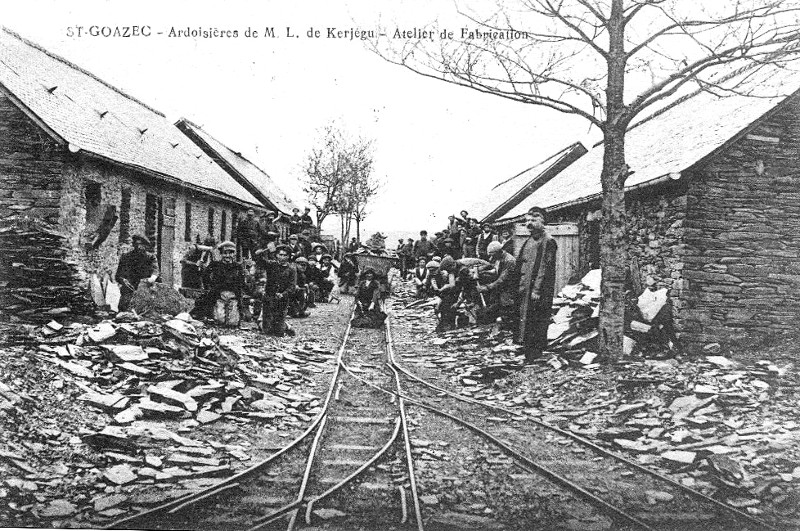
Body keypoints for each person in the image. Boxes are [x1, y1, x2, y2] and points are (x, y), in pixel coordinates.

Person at [514, 206, 557, 362]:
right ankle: (527, 349)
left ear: (542, 221)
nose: (529, 223)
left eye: (533, 220)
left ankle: (535, 353)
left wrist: (537, 289)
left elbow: (544, 267)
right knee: (525, 318)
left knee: (536, 319)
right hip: (525, 287)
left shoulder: (548, 240)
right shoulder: (529, 240)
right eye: (527, 220)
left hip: (538, 290)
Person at [191, 241, 248, 326]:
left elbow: (242, 282)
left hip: (233, 296)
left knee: (232, 323)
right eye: (225, 253)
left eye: (230, 253)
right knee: (220, 321)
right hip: (219, 295)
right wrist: (210, 286)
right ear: (221, 254)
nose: (228, 256)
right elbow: (205, 275)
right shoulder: (215, 265)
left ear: (233, 254)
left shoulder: (237, 266)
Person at [260, 244, 297, 336]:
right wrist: (263, 251)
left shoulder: (291, 269)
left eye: (285, 255)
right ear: (276, 255)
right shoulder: (271, 265)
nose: (282, 257)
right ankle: (261, 323)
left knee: (278, 332)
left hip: (282, 301)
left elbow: (292, 286)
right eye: (280, 254)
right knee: (267, 331)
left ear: (288, 256)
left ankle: (286, 326)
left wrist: (283, 294)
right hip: (269, 298)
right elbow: (260, 262)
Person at [477, 241, 517, 325]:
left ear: (498, 251)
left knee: (506, 307)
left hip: (509, 288)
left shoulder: (509, 260)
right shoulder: (499, 258)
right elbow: (496, 270)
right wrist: (484, 272)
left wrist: (486, 288)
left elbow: (502, 279)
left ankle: (508, 326)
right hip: (502, 287)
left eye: (492, 255)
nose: (491, 257)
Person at [115, 234, 158, 312]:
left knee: (145, 312)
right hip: (128, 289)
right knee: (124, 311)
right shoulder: (125, 257)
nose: (138, 247)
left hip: (144, 289)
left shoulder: (150, 257)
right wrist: (123, 281)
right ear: (133, 245)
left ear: (145, 246)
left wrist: (151, 278)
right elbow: (118, 276)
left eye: (140, 245)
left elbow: (155, 271)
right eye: (136, 244)